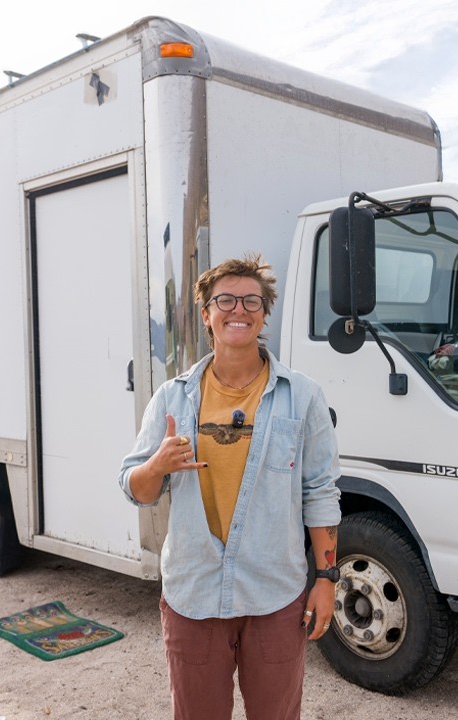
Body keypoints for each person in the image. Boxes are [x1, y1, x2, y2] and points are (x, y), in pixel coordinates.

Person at [118, 254, 342, 720]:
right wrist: (158, 464)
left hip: (274, 595)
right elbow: (136, 488)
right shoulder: (172, 398)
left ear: (263, 314)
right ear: (206, 315)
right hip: (193, 593)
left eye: (250, 301)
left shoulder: (303, 397)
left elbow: (320, 493)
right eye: (225, 300)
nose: (238, 310)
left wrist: (325, 579)